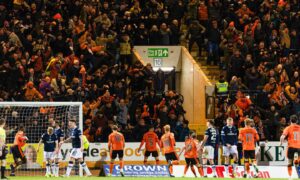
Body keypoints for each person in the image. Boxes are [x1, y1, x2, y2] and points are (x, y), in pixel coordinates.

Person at [280, 115, 300, 180]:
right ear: (297, 121)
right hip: (299, 147)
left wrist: (281, 143)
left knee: (289, 163)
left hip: (291, 147)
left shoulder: (288, 128)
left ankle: (290, 176)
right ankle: (297, 161)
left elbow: (282, 137)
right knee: (298, 162)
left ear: (290, 120)